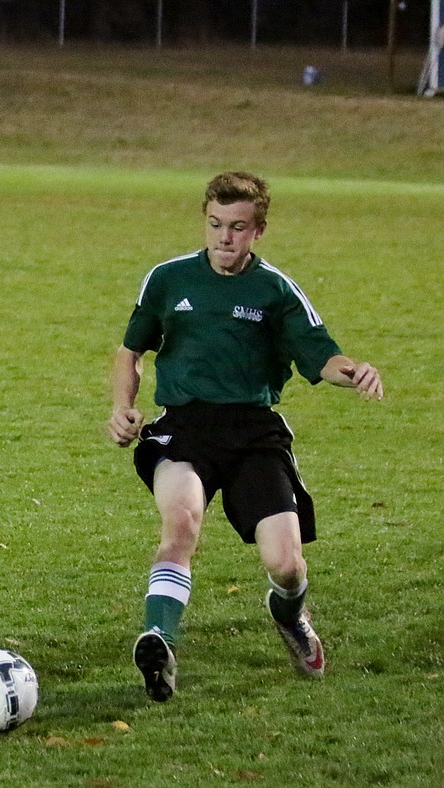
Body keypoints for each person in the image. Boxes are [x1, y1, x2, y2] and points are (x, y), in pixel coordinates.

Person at [106, 171, 383, 702]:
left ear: (259, 231)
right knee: (180, 523)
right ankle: (159, 644)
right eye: (214, 224)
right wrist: (123, 409)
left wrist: (353, 371)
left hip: (254, 433)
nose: (223, 238)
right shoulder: (168, 279)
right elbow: (130, 351)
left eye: (237, 227)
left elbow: (321, 356)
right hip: (183, 429)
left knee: (287, 564)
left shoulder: (275, 290)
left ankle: (290, 614)